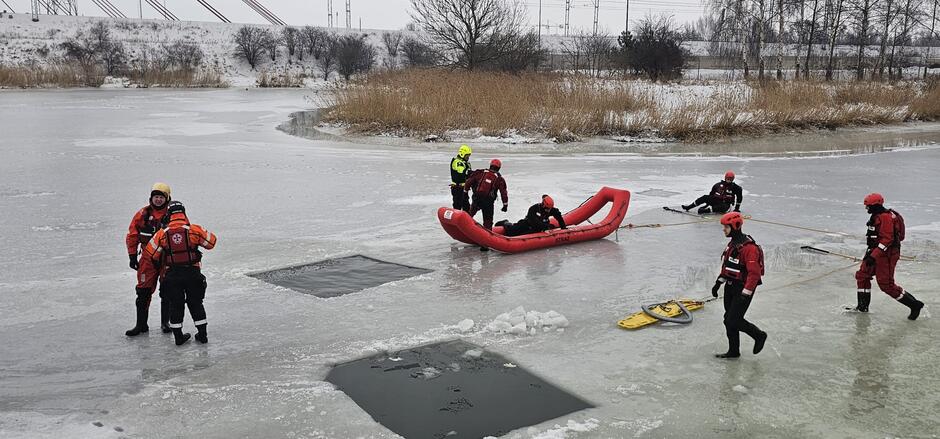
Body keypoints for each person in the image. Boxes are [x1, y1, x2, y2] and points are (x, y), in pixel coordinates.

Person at [143, 201, 218, 346]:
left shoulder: (162, 234)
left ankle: (178, 337)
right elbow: (211, 242)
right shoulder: (194, 230)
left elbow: (151, 254)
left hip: (173, 275)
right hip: (192, 272)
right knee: (196, 303)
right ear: (183, 213)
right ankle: (202, 335)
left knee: (175, 305)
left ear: (169, 215)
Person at [852, 193, 923, 319]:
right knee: (862, 275)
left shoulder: (885, 218)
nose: (866, 209)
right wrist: (872, 254)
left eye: (868, 206)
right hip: (875, 251)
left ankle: (914, 305)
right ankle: (862, 307)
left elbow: (887, 239)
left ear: (876, 205)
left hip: (887, 255)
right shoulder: (878, 215)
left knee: (886, 285)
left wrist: (874, 256)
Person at [711, 212, 767, 359]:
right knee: (728, 320)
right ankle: (734, 351)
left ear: (735, 226)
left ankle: (759, 335)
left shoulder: (750, 249)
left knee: (732, 320)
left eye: (726, 227)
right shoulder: (732, 245)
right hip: (730, 286)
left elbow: (754, 274)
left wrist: (745, 293)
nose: (724, 230)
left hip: (742, 289)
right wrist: (718, 283)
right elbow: (728, 267)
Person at [125, 183, 172, 337]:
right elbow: (132, 235)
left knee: (167, 291)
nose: (158, 200)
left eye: (161, 197)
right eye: (155, 197)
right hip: (147, 259)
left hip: (167, 259)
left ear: (167, 198)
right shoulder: (143, 214)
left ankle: (166, 323)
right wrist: (132, 256)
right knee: (143, 291)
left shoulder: (173, 214)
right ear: (151, 198)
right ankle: (141, 324)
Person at [497, 195, 567, 237]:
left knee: (524, 234)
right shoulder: (534, 209)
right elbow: (535, 222)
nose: (549, 210)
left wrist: (563, 227)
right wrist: (547, 226)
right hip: (528, 224)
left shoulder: (551, 209)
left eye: (550, 209)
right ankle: (505, 223)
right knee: (511, 232)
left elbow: (559, 217)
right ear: (543, 205)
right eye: (547, 209)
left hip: (537, 228)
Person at [450, 145, 472, 212]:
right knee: (457, 206)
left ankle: (466, 220)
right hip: (457, 188)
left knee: (466, 207)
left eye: (469, 155)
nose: (468, 157)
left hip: (464, 188)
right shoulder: (458, 162)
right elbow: (461, 173)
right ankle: (456, 220)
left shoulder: (466, 163)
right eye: (467, 155)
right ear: (462, 154)